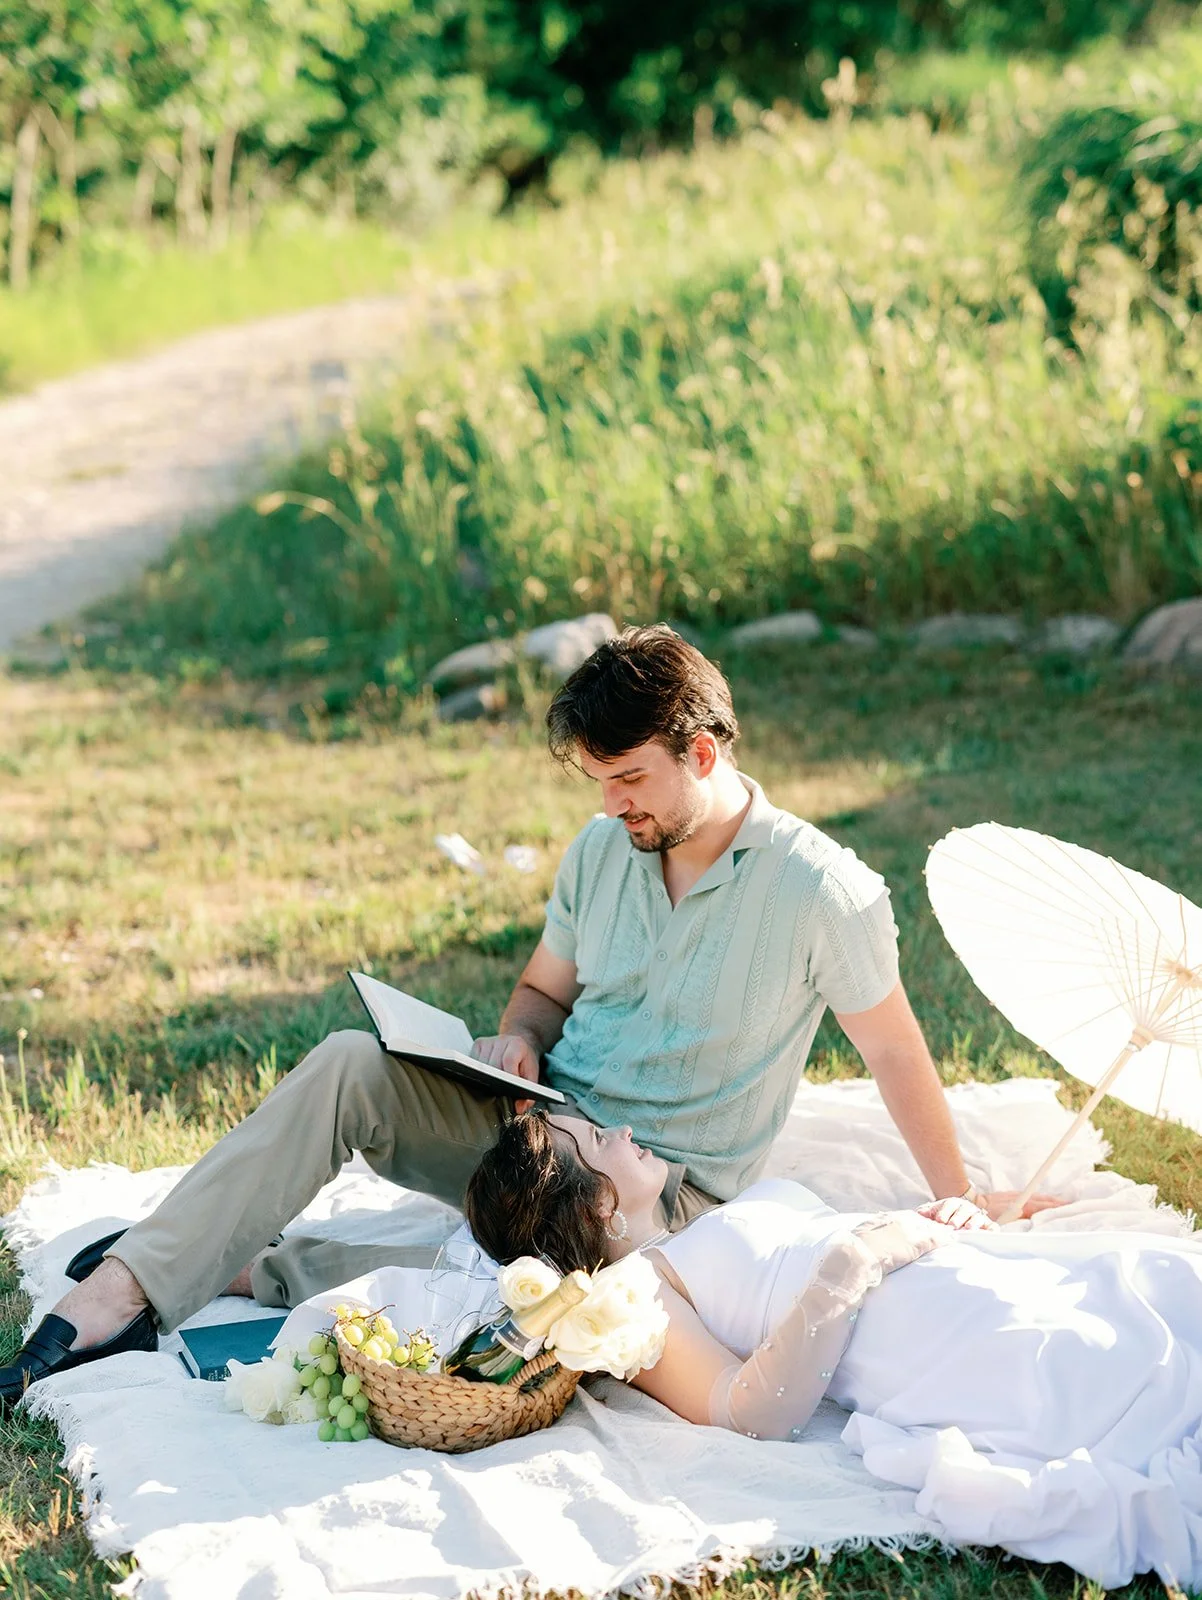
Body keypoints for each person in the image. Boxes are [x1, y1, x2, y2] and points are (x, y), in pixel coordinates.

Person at [1, 625, 1056, 1404]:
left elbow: (895, 1054)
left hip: (655, 1193)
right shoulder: (607, 848)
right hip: (538, 1116)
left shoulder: (822, 890)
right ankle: (127, 1295)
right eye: (596, 781)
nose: (609, 805)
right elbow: (543, 991)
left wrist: (957, 1198)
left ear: (702, 751)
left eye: (628, 778)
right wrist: (516, 1040)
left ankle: (249, 1263)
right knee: (346, 1063)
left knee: (531, 1287)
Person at [464, 1111, 1202, 1594]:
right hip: (928, 1337)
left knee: (1153, 1299)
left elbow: (811, 1248)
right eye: (599, 1142)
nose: (622, 1131)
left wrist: (926, 1221)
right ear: (597, 1204)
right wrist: (854, 1261)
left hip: (955, 1274)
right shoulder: (637, 1292)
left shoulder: (692, 1228)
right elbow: (748, 1410)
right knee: (1121, 1367)